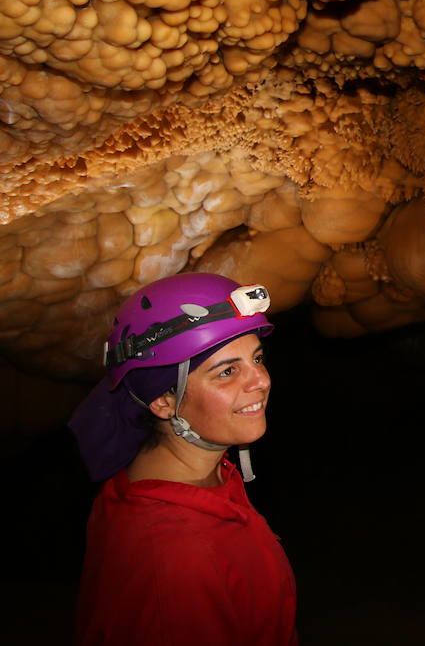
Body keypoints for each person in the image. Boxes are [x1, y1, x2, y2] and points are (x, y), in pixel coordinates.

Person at [68, 272, 299, 645]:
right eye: (227, 371)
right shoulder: (174, 563)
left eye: (257, 358)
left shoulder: (199, 476)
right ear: (163, 401)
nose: (261, 380)